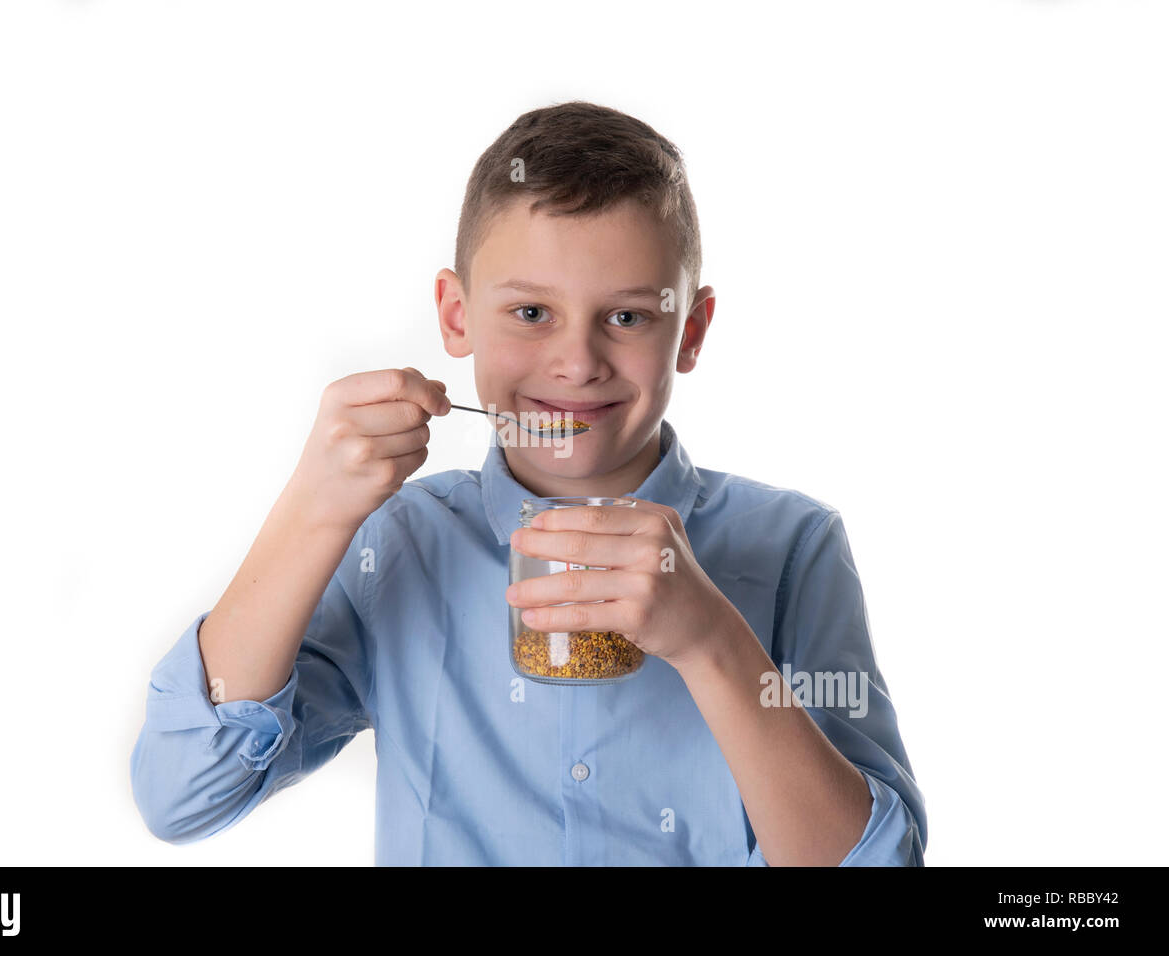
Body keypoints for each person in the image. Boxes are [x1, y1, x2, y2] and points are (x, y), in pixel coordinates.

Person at [129, 100, 927, 865]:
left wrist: (711, 641)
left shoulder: (790, 548)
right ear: (455, 315)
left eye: (627, 317)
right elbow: (183, 795)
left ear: (690, 331)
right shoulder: (401, 544)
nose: (576, 364)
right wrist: (311, 512)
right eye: (531, 313)